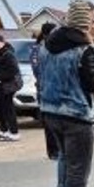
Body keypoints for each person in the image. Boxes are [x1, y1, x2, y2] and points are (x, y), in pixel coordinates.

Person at [39, 0, 94, 187]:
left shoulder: (46, 46)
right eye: (92, 22)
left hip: (50, 112)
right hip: (77, 115)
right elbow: (91, 84)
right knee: (79, 169)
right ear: (85, 23)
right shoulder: (84, 49)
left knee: (67, 161)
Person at [31, 22, 59, 159]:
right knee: (49, 122)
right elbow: (37, 70)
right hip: (45, 89)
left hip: (57, 88)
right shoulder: (38, 49)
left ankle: (59, 149)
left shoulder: (56, 47)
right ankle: (53, 151)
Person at [0, 34, 22, 142]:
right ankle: (4, 130)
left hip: (9, 85)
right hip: (0, 86)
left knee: (8, 108)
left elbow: (14, 70)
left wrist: (1, 78)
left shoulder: (8, 54)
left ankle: (14, 132)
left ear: (3, 42)